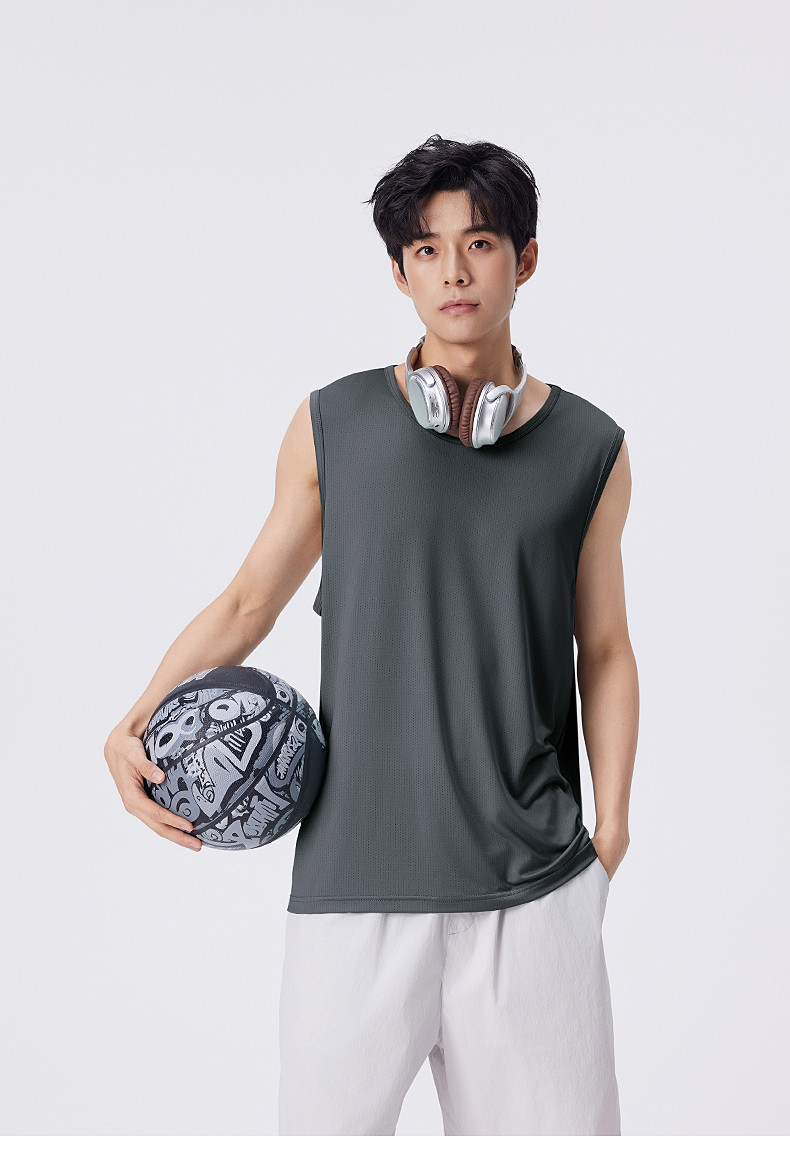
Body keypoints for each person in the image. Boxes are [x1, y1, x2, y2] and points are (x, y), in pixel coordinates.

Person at [105, 133, 638, 1136]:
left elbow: (603, 649)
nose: (454, 271)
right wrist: (132, 721)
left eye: (480, 243)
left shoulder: (590, 448)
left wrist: (609, 834)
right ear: (399, 272)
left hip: (531, 891)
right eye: (427, 250)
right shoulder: (332, 423)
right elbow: (247, 603)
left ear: (525, 259)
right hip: (351, 889)